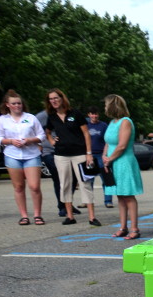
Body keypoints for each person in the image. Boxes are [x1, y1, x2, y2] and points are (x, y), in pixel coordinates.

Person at [44, 88, 100, 226]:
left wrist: (89, 154)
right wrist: (51, 141)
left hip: (80, 153)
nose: (54, 101)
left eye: (56, 98)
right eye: (51, 99)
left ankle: (92, 217)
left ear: (62, 98)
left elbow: (86, 133)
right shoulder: (51, 116)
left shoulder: (75, 113)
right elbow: (47, 131)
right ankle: (70, 216)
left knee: (84, 183)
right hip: (61, 155)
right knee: (65, 184)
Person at [0, 90, 45, 225]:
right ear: (7, 105)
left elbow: (41, 135)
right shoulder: (2, 120)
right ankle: (24, 215)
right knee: (18, 186)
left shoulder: (30, 118)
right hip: (12, 155)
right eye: (14, 103)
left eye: (19, 103)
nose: (17, 106)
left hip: (31, 155)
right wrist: (10, 141)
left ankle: (37, 215)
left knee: (34, 186)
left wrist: (29, 140)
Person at [101, 94, 144, 240]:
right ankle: (123, 226)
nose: (105, 107)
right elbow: (108, 142)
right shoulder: (112, 122)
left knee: (128, 195)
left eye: (106, 104)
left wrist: (110, 159)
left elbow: (122, 145)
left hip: (123, 162)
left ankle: (134, 228)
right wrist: (104, 156)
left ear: (113, 105)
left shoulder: (125, 122)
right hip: (112, 162)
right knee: (119, 195)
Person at [36, 108, 73, 218]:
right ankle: (62, 206)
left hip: (65, 150)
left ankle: (68, 204)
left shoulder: (66, 114)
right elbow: (34, 130)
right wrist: (40, 144)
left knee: (70, 179)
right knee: (58, 177)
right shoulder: (41, 116)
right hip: (48, 151)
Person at [85, 106, 113, 208]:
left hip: (101, 154)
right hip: (89, 155)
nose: (94, 116)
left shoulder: (103, 125)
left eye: (96, 114)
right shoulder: (86, 125)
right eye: (92, 114)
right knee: (89, 180)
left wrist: (105, 154)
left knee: (106, 178)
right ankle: (88, 202)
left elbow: (108, 140)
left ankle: (108, 201)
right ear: (88, 115)